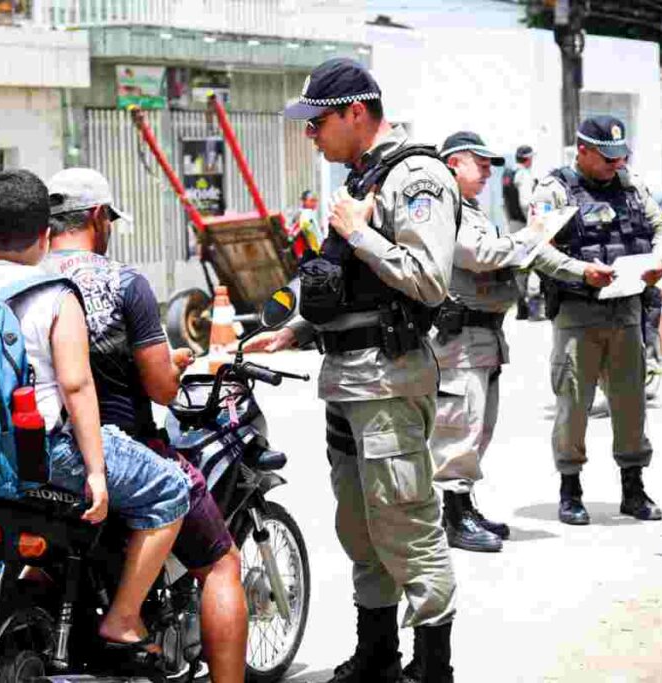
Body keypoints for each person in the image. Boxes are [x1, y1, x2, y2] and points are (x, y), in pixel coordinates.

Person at [246, 58, 458, 683]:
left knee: (408, 525)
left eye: (317, 123)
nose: (311, 135)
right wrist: (296, 328)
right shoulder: (363, 180)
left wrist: (360, 234)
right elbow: (351, 286)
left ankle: (433, 666)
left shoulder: (416, 177)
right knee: (360, 527)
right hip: (348, 383)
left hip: (388, 382)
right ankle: (377, 656)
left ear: (355, 113)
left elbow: (428, 279)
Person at [0, 169, 190, 657]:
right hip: (44, 455)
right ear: (46, 235)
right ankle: (123, 619)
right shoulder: (54, 294)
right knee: (169, 487)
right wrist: (96, 471)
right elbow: (76, 385)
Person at [44, 167, 247, 683]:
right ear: (96, 216)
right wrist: (176, 367)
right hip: (121, 449)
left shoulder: (23, 280)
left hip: (37, 452)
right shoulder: (123, 282)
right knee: (221, 563)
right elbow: (160, 388)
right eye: (108, 217)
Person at [528, 115, 662, 526]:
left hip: (626, 308)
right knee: (574, 405)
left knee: (631, 404)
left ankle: (634, 488)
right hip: (579, 313)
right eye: (607, 157)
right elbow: (536, 249)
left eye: (620, 155)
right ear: (583, 150)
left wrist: (658, 260)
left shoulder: (630, 186)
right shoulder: (554, 190)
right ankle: (570, 489)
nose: (616, 164)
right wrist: (581, 271)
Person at [431, 132, 546, 553]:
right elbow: (479, 255)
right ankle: (454, 516)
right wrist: (530, 235)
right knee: (458, 426)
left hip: (483, 334)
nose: (486, 174)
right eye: (478, 164)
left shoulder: (471, 209)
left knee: (479, 425)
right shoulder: (443, 210)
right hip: (459, 337)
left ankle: (464, 506)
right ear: (452, 164)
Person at [502, 145, 537, 320]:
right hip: (524, 225)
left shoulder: (508, 173)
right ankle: (533, 309)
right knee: (532, 264)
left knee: (519, 267)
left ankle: (522, 308)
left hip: (513, 224)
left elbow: (505, 203)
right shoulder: (523, 175)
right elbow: (525, 203)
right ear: (529, 158)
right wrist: (534, 226)